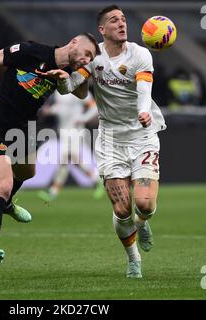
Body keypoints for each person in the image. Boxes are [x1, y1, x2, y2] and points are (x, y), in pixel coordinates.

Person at [0, 33, 100, 279]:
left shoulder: (67, 72)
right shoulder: (30, 51)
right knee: (2, 185)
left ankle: (8, 204)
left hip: (25, 130)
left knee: (27, 172)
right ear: (74, 42)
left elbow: (80, 94)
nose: (86, 59)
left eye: (91, 58)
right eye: (86, 53)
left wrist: (74, 76)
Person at [37, 5, 166, 278]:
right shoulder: (94, 59)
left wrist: (144, 112)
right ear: (102, 29)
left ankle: (142, 223)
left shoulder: (140, 54)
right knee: (121, 209)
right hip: (109, 139)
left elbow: (145, 91)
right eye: (113, 20)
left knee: (144, 205)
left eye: (123, 19)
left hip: (142, 134)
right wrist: (62, 80)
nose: (121, 24)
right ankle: (134, 260)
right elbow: (72, 87)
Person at [37, 91, 105, 202]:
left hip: (75, 130)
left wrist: (83, 118)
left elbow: (94, 107)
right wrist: (50, 111)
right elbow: (61, 108)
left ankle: (53, 191)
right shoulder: (59, 91)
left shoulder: (81, 90)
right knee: (70, 161)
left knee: (66, 159)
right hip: (63, 130)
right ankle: (97, 180)